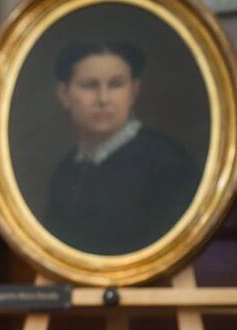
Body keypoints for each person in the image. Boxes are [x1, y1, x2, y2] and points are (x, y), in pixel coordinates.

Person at [43, 41, 200, 256]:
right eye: (89, 85)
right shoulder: (65, 172)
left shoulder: (167, 163)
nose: (103, 99)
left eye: (116, 85)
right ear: (64, 94)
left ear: (134, 91)